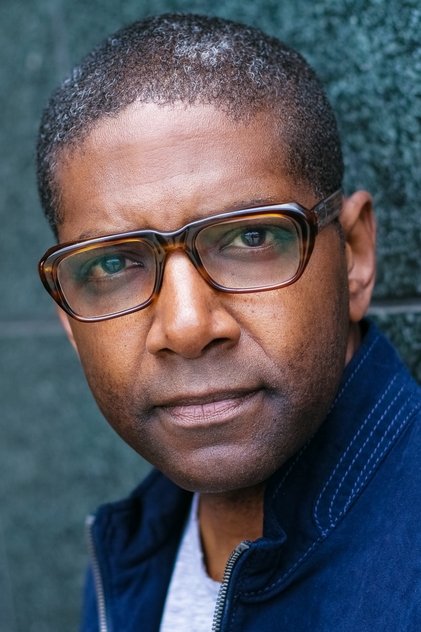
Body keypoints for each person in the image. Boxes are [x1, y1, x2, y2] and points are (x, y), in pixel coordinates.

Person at [36, 13, 420, 632]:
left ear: (354, 256)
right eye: (112, 264)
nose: (187, 326)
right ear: (69, 319)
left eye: (250, 237)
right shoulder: (128, 554)